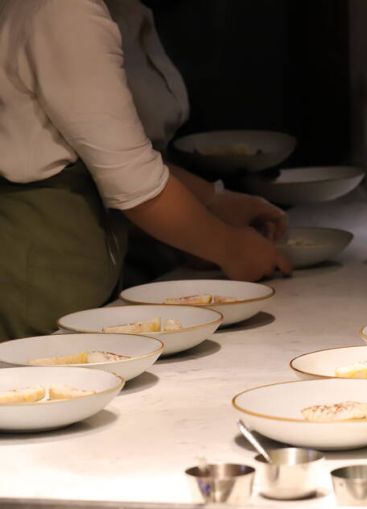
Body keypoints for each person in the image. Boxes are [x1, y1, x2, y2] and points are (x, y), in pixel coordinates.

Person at [0, 0, 292, 342]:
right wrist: (229, 247)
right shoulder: (64, 9)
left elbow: (111, 152)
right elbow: (130, 178)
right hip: (36, 277)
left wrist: (214, 202)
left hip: (69, 268)